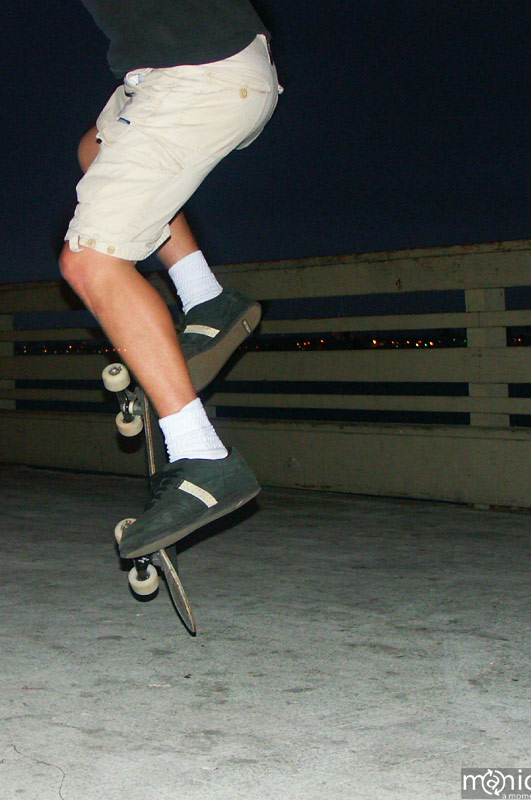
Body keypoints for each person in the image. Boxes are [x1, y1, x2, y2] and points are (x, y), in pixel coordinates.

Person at [59, 1, 281, 559]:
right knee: (94, 149)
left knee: (91, 262)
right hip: (192, 73)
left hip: (200, 77)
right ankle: (204, 295)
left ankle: (200, 454)